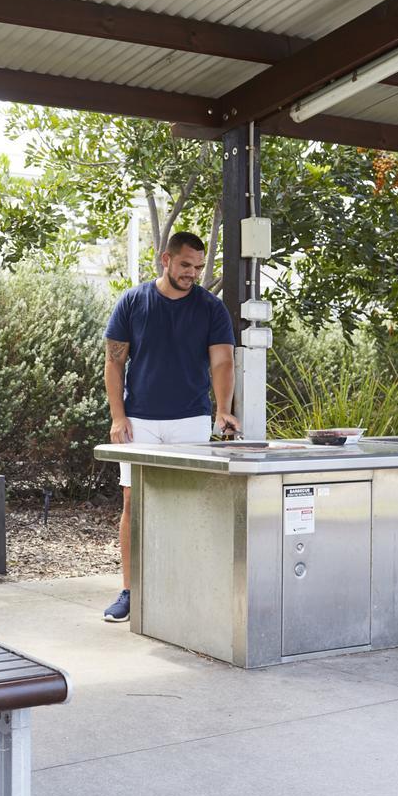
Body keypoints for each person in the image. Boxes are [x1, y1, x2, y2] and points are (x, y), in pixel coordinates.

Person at [102, 231, 241, 622]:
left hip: (191, 420)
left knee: (193, 505)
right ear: (166, 259)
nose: (192, 273)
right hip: (139, 420)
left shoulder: (211, 308)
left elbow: (222, 362)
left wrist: (223, 409)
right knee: (134, 503)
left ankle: (189, 588)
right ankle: (130, 590)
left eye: (198, 267)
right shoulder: (133, 301)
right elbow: (114, 362)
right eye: (185, 265)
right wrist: (118, 415)